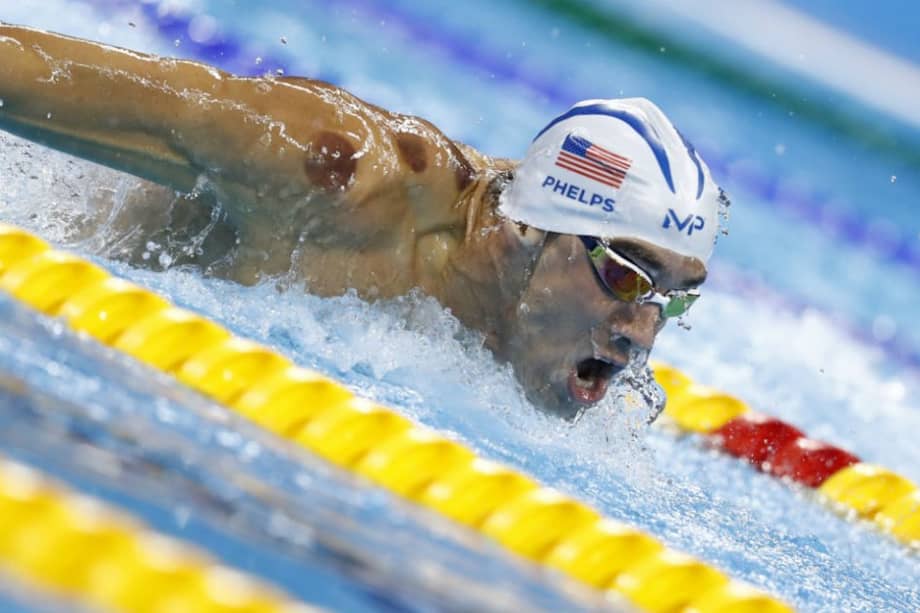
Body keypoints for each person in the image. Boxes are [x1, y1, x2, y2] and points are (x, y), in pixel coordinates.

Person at [0, 23, 722, 419]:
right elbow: (34, 74)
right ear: (523, 232)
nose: (643, 332)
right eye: (626, 277)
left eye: (673, 296)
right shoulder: (339, 174)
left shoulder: (529, 294)